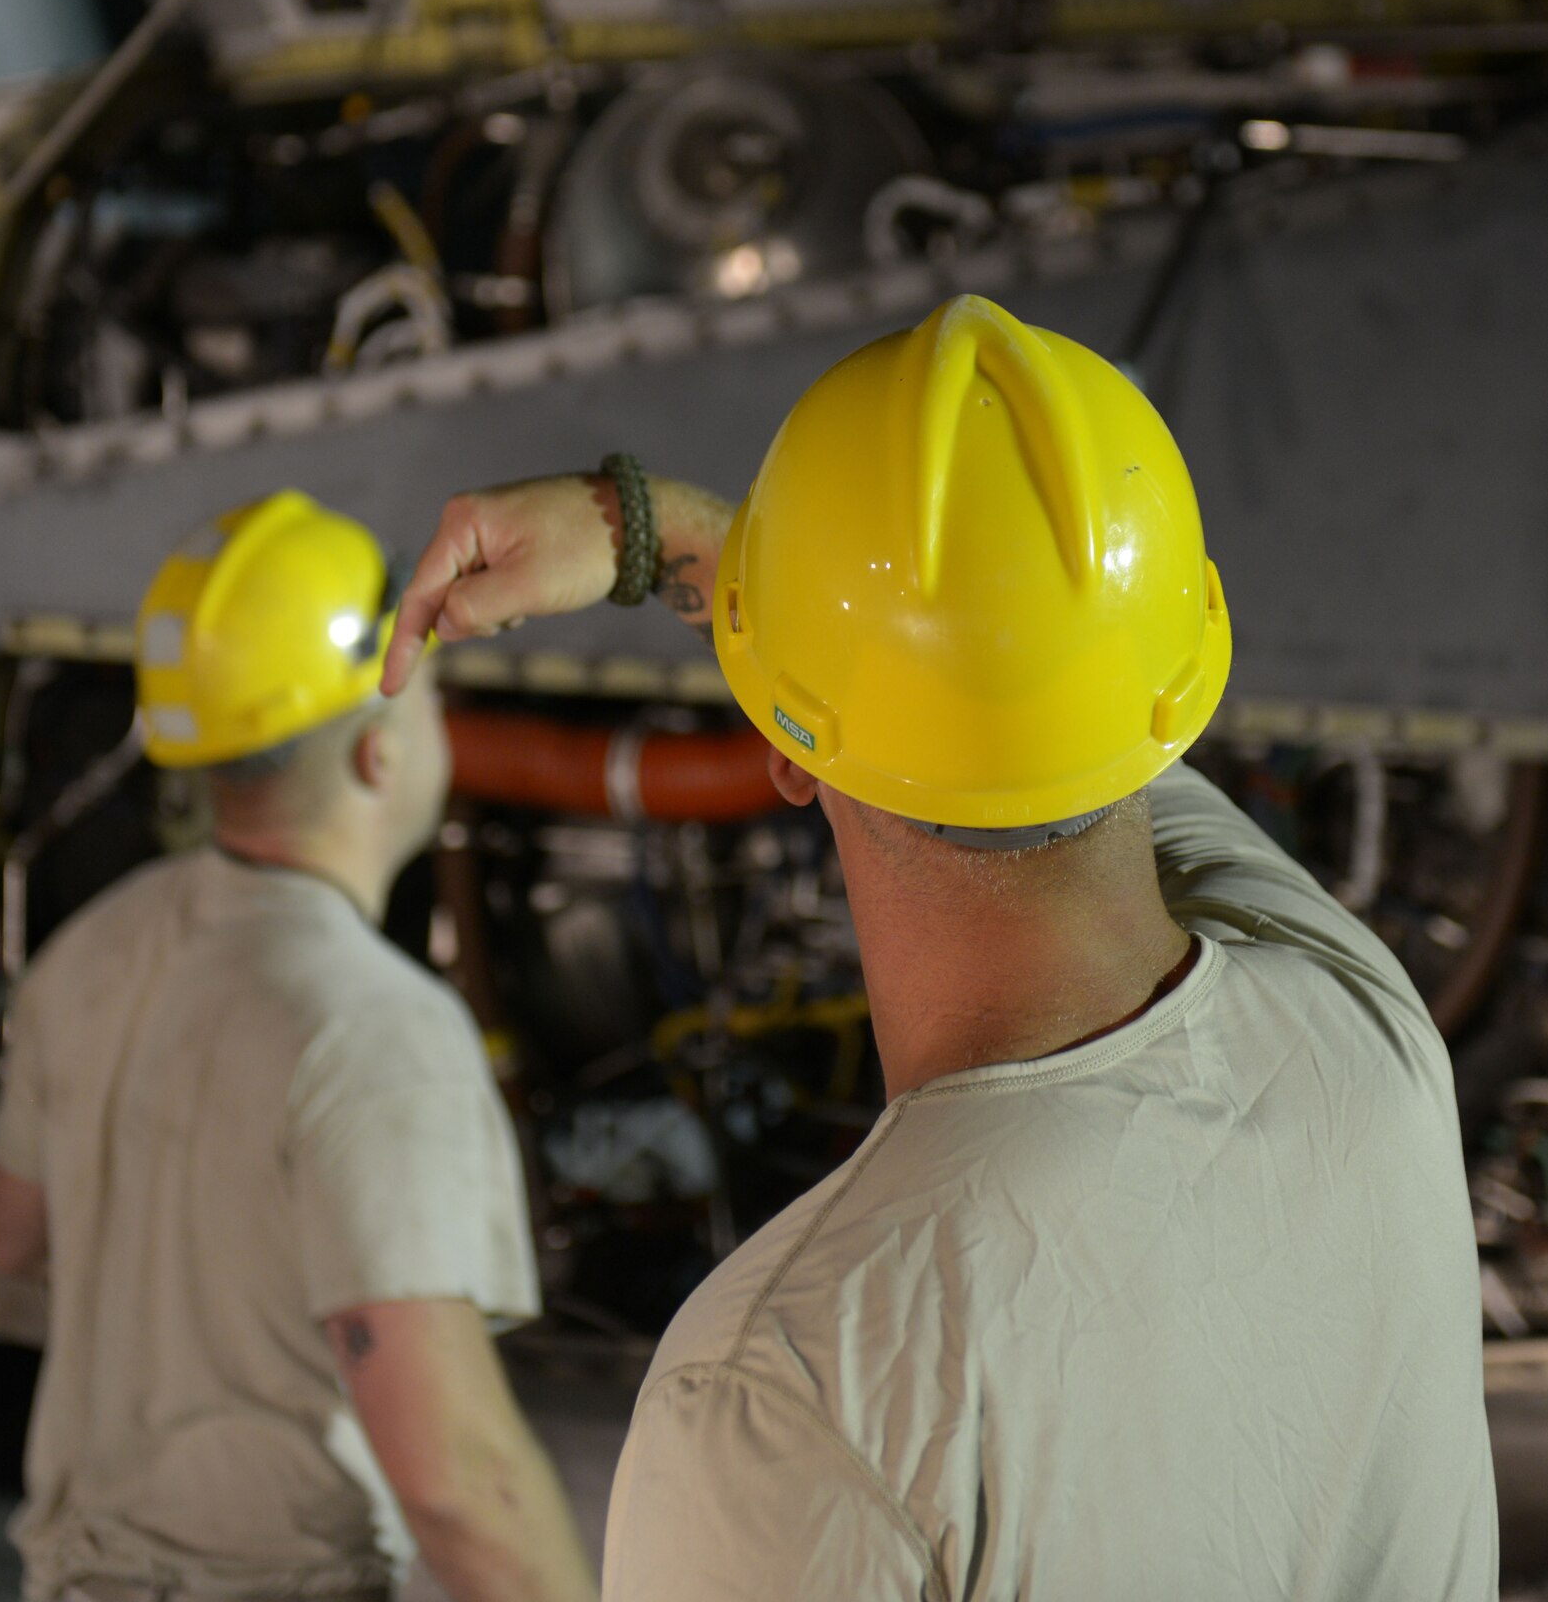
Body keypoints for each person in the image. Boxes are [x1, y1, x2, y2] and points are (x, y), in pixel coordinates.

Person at [381, 295, 1497, 1601]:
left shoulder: (791, 1391)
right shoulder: (1363, 1028)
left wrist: (667, 537)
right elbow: (1021, 700)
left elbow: (955, 683)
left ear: (787, 756)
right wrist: (678, 541)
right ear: (1175, 698)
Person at [0, 489, 598, 1602]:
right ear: (376, 751)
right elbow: (460, 1482)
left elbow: (11, 1234)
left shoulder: (90, 950)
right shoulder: (377, 1031)